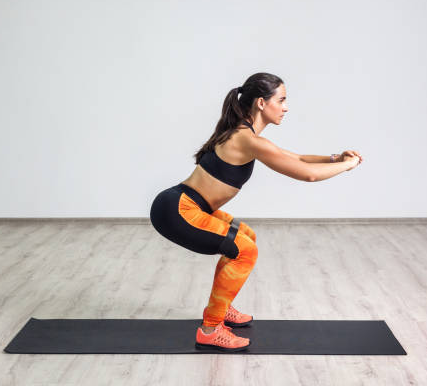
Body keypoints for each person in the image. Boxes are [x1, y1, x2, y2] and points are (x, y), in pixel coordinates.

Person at [149, 72, 363, 352]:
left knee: (245, 237)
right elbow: (308, 174)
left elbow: (296, 158)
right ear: (262, 103)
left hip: (185, 204)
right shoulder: (246, 139)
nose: (286, 107)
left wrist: (336, 157)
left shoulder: (245, 134)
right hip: (177, 209)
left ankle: (221, 306)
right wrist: (349, 166)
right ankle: (210, 329)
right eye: (282, 100)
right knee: (244, 250)